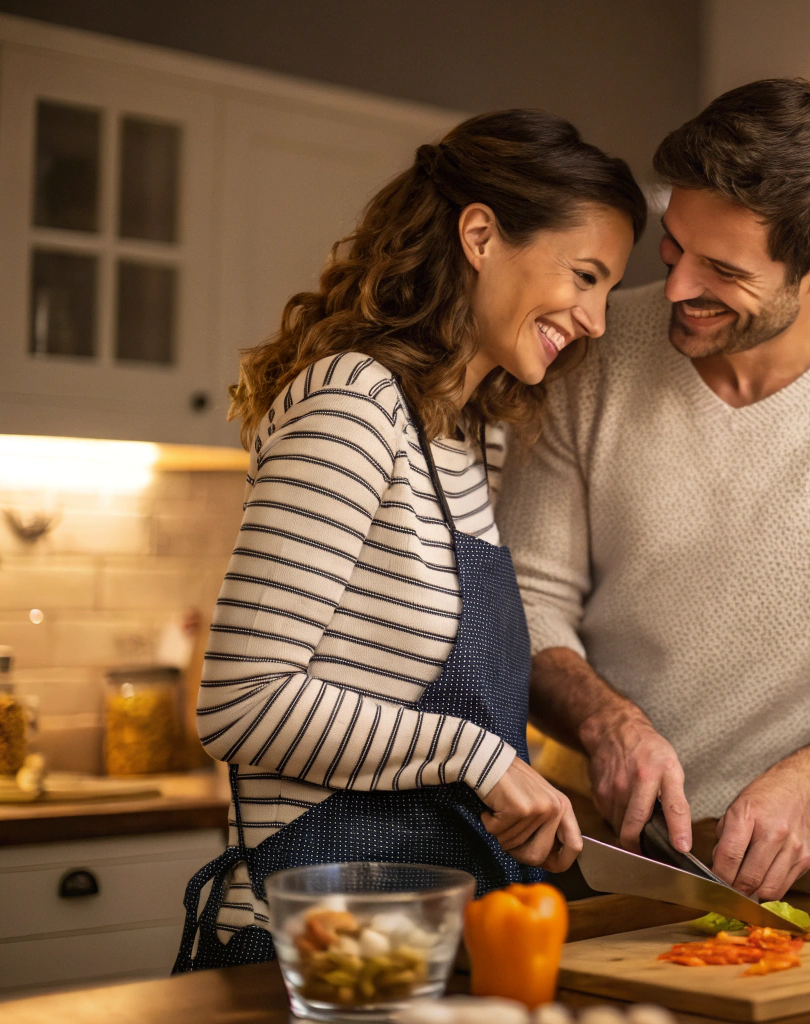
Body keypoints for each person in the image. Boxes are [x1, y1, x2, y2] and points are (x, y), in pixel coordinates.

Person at [498, 79, 810, 901]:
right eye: (673, 247)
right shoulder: (592, 354)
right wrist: (606, 724)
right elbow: (520, 599)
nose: (673, 289)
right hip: (579, 839)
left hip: (798, 861)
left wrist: (809, 781)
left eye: (724, 270)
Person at [173, 109, 644, 972]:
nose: (597, 320)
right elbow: (241, 703)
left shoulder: (473, 435)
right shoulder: (353, 403)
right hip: (318, 945)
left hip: (429, 936)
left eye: (607, 290)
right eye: (585, 276)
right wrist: (477, 756)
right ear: (479, 235)